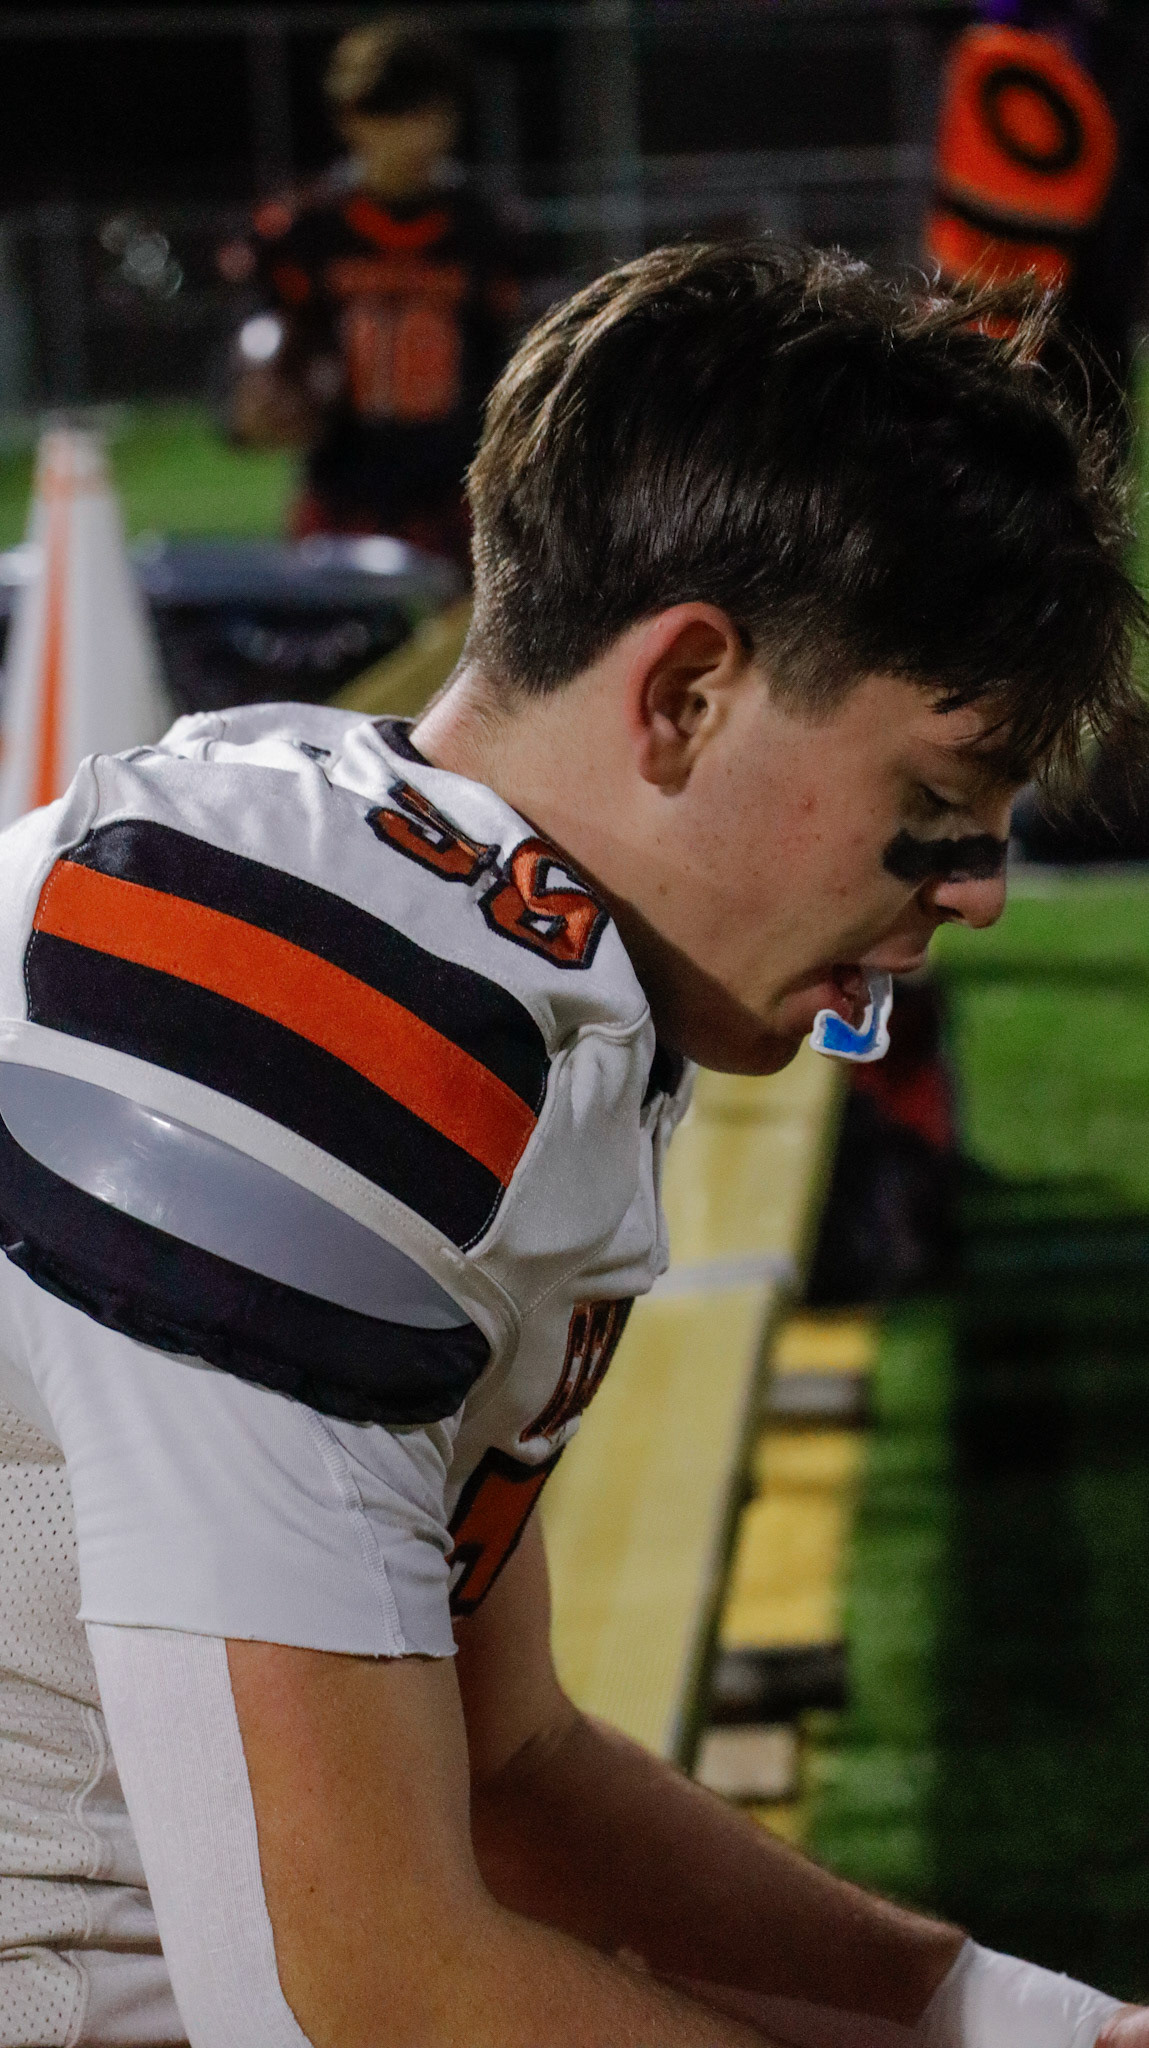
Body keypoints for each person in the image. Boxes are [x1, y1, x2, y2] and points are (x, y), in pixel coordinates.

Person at [0, 240, 1146, 2048]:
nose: (976, 890)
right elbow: (352, 1995)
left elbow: (506, 1760)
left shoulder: (474, 933)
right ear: (684, 691)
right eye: (929, 802)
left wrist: (996, 2017)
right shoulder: (331, 1025)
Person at [225, 22, 519, 565]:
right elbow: (252, 356)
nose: (419, 136)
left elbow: (508, 360)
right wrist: (255, 406)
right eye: (397, 116)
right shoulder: (303, 231)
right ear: (352, 118)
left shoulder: (485, 231)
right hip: (340, 503)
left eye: (434, 115)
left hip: (455, 504)